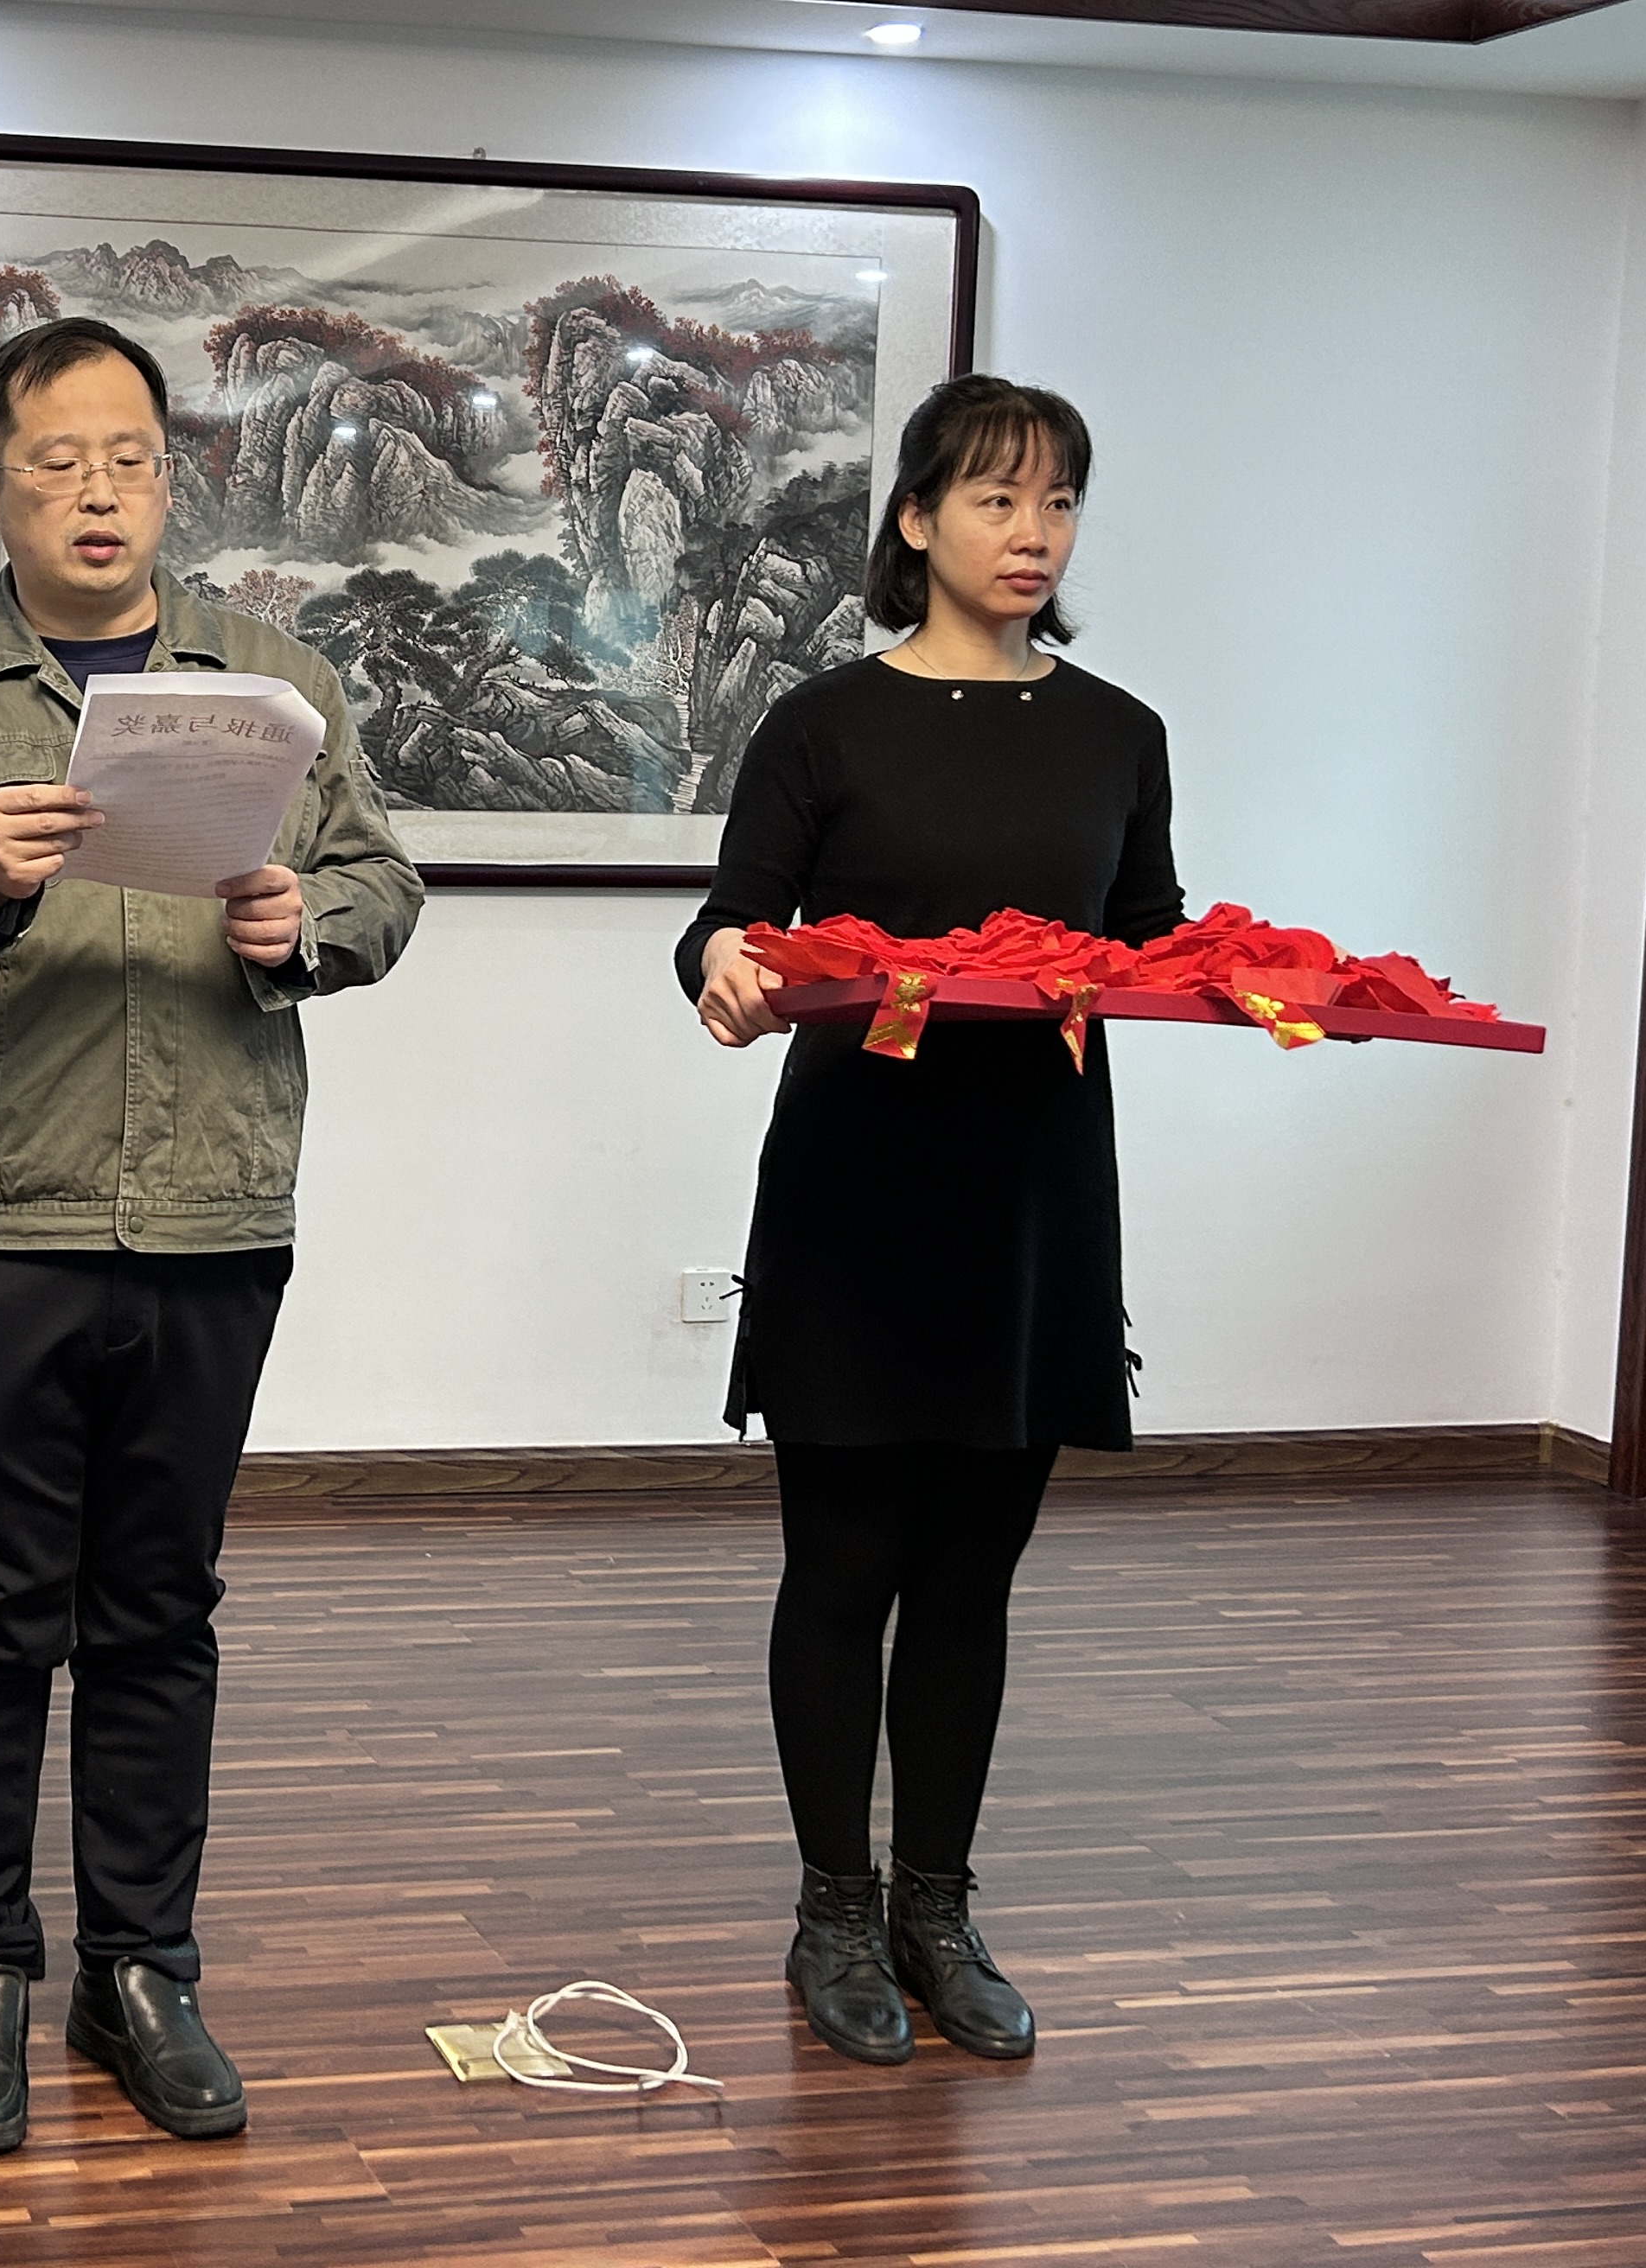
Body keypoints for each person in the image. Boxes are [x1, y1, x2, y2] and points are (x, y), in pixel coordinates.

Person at [0, 317, 424, 2155]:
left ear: (170, 478)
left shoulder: (274, 685)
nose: (99, 492)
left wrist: (310, 925)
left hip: (216, 1207)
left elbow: (385, 884)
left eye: (132, 458)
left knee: (162, 1611)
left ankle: (142, 1968)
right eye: (58, 461)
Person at [678, 373, 1181, 2070]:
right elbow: (730, 925)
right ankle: (832, 1910)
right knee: (845, 1567)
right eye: (995, 499)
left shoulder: (1119, 732)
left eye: (1058, 502)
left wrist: (1253, 986)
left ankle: (937, 1913)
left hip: (1036, 1198)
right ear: (916, 520)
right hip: (855, 1191)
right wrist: (726, 970)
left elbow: (1150, 939)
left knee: (973, 1577)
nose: (1033, 533)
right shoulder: (823, 723)